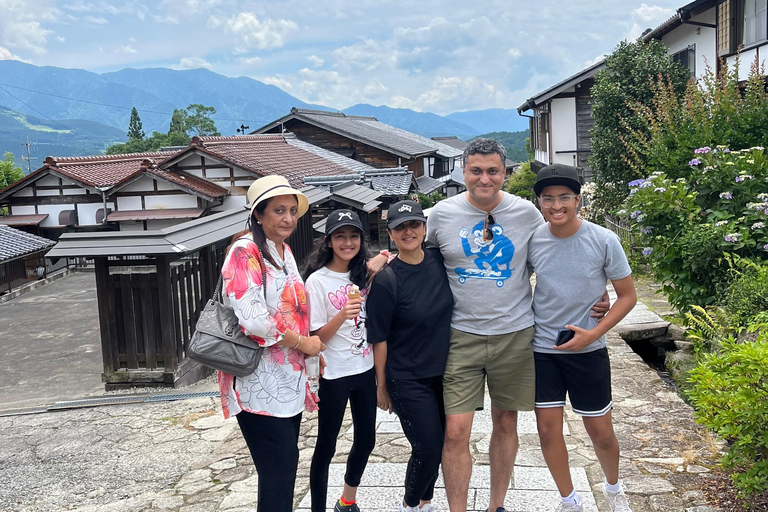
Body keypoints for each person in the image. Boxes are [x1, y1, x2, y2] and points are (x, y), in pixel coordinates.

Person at [426, 139, 609, 512]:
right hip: (460, 334)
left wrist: (597, 292)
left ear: (504, 173)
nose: (484, 178)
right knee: (456, 430)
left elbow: (560, 246)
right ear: (464, 172)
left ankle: (496, 506)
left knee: (506, 422)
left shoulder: (526, 213)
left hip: (516, 333)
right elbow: (419, 260)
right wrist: (380, 265)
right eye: (476, 170)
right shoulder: (442, 215)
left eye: (493, 171)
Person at [528, 164, 637, 512]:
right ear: (539, 203)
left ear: (578, 200)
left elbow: (627, 296)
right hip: (543, 348)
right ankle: (568, 499)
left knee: (600, 431)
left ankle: (614, 489)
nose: (556, 205)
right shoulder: (532, 241)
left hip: (589, 349)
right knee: (547, 430)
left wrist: (594, 333)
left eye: (564, 198)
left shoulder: (604, 239)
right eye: (548, 199)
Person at [218, 175, 326, 512]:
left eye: (293, 211)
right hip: (256, 381)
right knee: (279, 469)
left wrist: (309, 354)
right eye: (279, 210)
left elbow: (296, 310)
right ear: (259, 215)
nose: (288, 219)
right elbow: (252, 317)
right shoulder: (245, 251)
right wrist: (302, 343)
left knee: (283, 469)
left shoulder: (284, 251)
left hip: (286, 381)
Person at [367, 200, 454, 512]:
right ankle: (410, 504)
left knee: (444, 444)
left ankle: (426, 502)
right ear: (391, 234)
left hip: (445, 372)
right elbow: (379, 338)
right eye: (400, 227)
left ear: (424, 228)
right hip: (406, 377)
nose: (408, 231)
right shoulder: (387, 280)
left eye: (414, 225)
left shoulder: (439, 259)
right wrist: (381, 387)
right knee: (427, 447)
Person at [304, 209, 377, 512]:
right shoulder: (317, 282)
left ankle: (347, 499)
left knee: (367, 439)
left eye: (353, 235)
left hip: (365, 369)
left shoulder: (366, 273)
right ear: (329, 242)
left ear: (361, 239)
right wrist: (342, 315)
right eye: (340, 236)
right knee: (327, 445)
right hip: (333, 375)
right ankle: (318, 507)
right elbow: (316, 339)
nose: (348, 242)